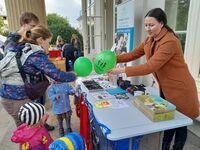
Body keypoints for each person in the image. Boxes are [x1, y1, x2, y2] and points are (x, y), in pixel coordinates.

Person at [109, 8, 199, 150]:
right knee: (168, 122)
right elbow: (133, 54)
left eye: (151, 25)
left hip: (182, 91)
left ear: (161, 24)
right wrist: (112, 59)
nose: (147, 29)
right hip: (167, 89)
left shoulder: (170, 41)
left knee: (181, 126)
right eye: (146, 25)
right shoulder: (150, 39)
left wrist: (121, 70)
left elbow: (149, 66)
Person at [0, 25, 76, 128]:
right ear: (40, 40)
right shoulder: (35, 53)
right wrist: (74, 76)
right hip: (17, 98)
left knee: (26, 131)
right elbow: (56, 75)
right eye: (48, 42)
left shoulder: (21, 47)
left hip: (9, 97)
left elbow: (10, 40)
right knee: (29, 133)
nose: (48, 46)